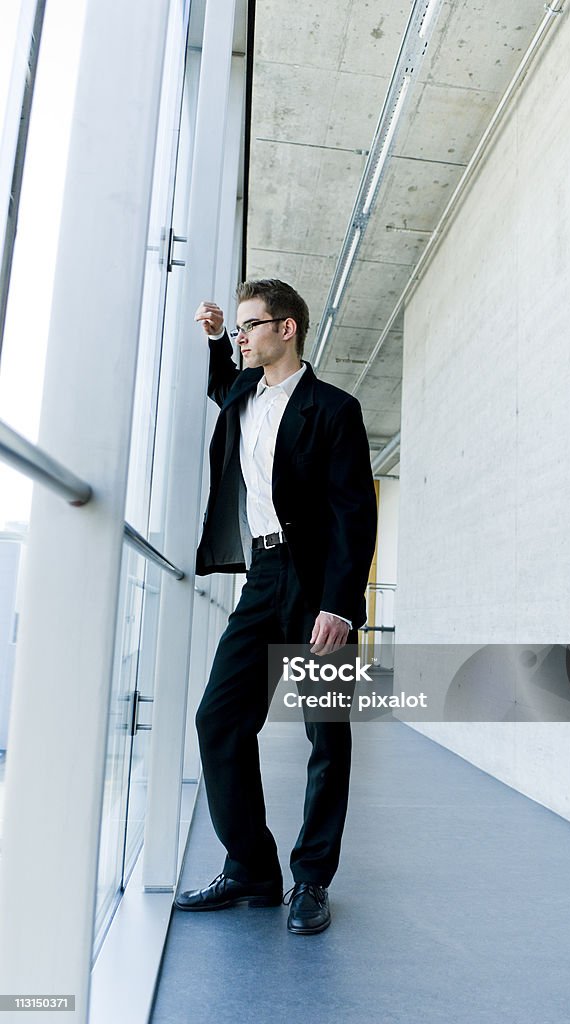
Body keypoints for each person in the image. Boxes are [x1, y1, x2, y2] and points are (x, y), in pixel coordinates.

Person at [174, 279, 377, 935]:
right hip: (263, 576)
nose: (242, 336)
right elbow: (219, 383)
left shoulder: (334, 409)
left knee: (327, 735)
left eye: (249, 326)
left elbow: (354, 513)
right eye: (236, 328)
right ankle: (252, 871)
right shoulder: (241, 394)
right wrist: (213, 341)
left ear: (286, 329)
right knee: (219, 717)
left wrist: (341, 604)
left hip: (318, 581)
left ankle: (311, 879)